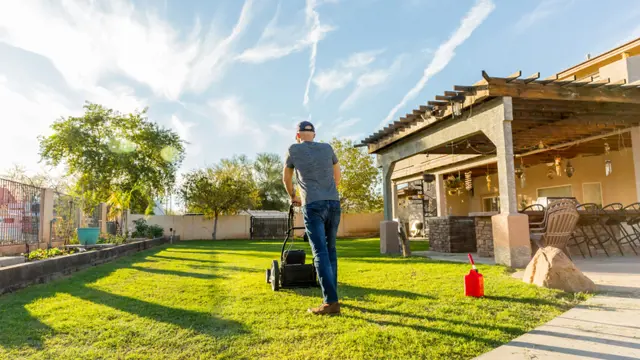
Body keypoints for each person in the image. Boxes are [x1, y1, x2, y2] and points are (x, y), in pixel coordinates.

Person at [282, 120, 342, 315]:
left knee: (320, 252)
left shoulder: (293, 149)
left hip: (313, 205)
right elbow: (338, 177)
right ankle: (332, 298)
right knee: (331, 249)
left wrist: (293, 196)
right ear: (314, 134)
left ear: (297, 135)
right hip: (333, 203)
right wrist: (328, 192)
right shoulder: (327, 148)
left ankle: (331, 302)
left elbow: (286, 178)